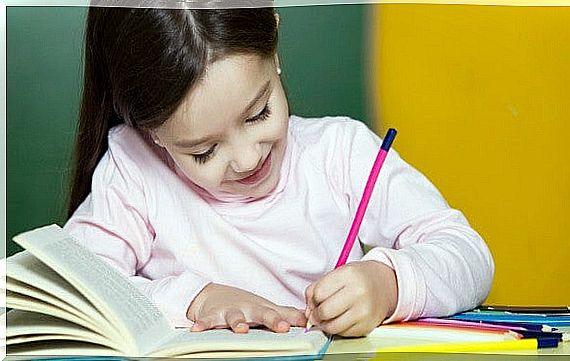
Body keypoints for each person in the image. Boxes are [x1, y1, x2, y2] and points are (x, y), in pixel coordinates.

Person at [64, 5, 494, 338]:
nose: (248, 160)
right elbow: (73, 291)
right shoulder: (135, 170)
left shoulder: (341, 155)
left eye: (258, 114)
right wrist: (192, 300)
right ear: (150, 131)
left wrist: (389, 285)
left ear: (273, 46)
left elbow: (469, 256)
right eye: (204, 151)